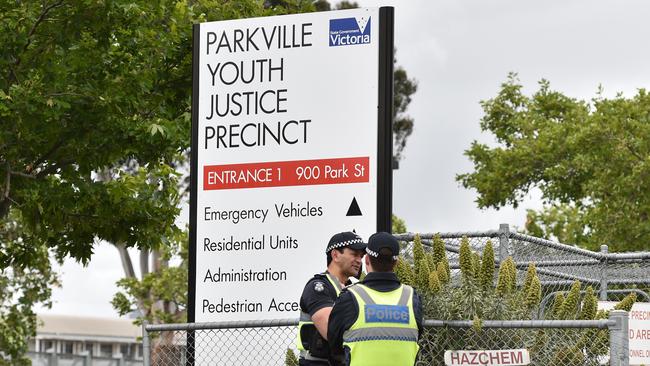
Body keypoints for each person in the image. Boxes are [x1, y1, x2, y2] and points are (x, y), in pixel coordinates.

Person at [328, 232, 423, 366]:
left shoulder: (349, 297)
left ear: (366, 260)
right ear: (396, 263)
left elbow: (334, 347)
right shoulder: (412, 299)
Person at [297, 231, 366, 365]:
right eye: (354, 254)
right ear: (335, 255)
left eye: (361, 256)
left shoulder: (353, 290)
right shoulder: (318, 287)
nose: (359, 260)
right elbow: (330, 331)